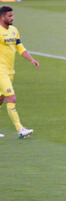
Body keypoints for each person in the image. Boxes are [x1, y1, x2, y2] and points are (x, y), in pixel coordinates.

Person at [0, 6, 39, 139]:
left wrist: (32, 60)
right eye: (9, 16)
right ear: (2, 17)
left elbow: (20, 48)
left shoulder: (14, 30)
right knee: (11, 98)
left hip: (10, 71)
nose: (12, 18)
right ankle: (20, 129)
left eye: (12, 16)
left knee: (1, 99)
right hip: (0, 71)